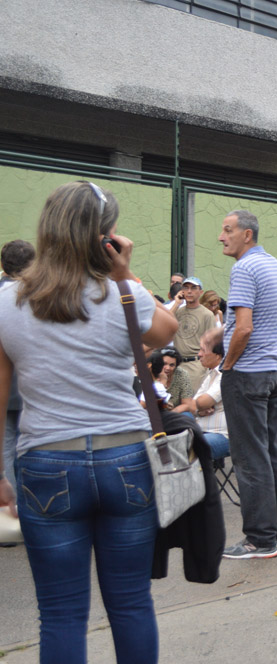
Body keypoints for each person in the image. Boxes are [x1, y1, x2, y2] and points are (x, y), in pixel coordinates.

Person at [0, 181, 178, 661]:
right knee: (131, 602)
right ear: (104, 236)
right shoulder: (120, 294)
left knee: (59, 611)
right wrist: (124, 272)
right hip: (125, 456)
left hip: (45, 460)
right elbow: (168, 329)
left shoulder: (7, 301)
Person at [218, 209, 277, 560]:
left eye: (228, 230)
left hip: (249, 372)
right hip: (275, 371)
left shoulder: (244, 268)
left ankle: (259, 539)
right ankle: (274, 532)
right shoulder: (272, 264)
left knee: (249, 458)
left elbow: (244, 327)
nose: (221, 237)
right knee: (271, 451)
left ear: (247, 235)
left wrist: (227, 364)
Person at [1, 239, 35, 497]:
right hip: (32, 383)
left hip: (5, 384)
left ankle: (10, 509)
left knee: (5, 447)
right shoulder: (40, 297)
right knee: (30, 447)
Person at [171, 276, 216, 388]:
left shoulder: (207, 314)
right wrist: (176, 303)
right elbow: (164, 324)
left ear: (200, 292)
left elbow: (212, 343)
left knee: (192, 402)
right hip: (177, 363)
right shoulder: (178, 311)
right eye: (186, 288)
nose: (189, 291)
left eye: (193, 288)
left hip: (196, 364)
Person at [192, 328, 229, 460]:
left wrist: (198, 407)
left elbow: (202, 402)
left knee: (187, 447)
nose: (199, 354)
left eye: (203, 350)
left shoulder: (224, 375)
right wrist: (198, 411)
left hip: (222, 435)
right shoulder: (211, 374)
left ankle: (205, 481)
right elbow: (196, 404)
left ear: (218, 355)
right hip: (201, 431)